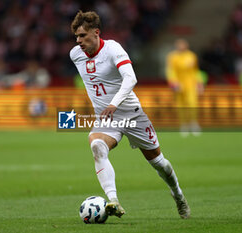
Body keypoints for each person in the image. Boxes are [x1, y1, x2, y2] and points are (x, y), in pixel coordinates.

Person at [70, 11, 190, 219]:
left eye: (83, 35)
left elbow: (130, 78)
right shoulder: (76, 54)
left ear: (96, 33)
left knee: (158, 163)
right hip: (107, 120)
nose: (79, 41)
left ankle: (178, 195)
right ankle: (113, 201)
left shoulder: (113, 49)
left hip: (132, 115)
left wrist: (113, 104)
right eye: (77, 37)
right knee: (97, 146)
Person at [166, 39, 204, 136]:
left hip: (190, 84)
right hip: (179, 84)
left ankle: (193, 123)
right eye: (179, 45)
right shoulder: (172, 57)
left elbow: (195, 70)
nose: (181, 47)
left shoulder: (191, 56)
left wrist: (199, 83)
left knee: (193, 103)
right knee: (181, 105)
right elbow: (171, 70)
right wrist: (174, 83)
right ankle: (184, 125)